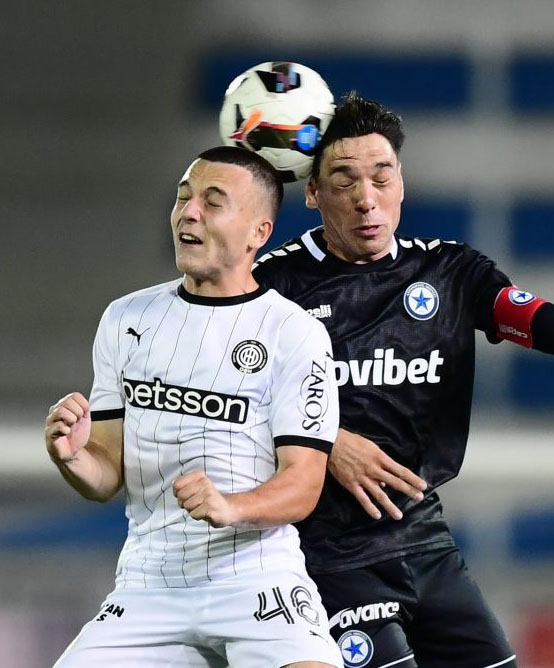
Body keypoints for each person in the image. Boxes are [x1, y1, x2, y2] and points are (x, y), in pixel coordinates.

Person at [253, 93, 554, 668]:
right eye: (344, 181)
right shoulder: (271, 289)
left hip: (424, 539)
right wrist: (325, 441)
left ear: (401, 184)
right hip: (323, 553)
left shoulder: (450, 272)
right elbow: (221, 400)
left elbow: (536, 321)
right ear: (313, 192)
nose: (366, 198)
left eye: (381, 177)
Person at [44, 146, 344, 668]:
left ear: (258, 232)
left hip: (256, 580)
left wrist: (232, 507)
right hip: (148, 586)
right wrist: (72, 457)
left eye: (213, 201)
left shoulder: (294, 332)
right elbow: (107, 474)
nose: (189, 212)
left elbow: (304, 483)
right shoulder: (126, 319)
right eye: (183, 197)